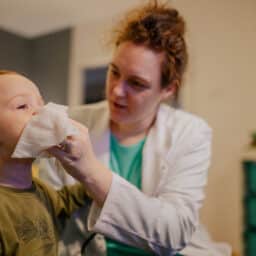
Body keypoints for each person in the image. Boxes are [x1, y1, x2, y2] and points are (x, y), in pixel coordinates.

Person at [38, 1, 231, 255]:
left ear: (168, 89)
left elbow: (174, 232)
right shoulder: (72, 121)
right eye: (114, 72)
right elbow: (44, 216)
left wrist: (90, 170)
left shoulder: (191, 132)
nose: (117, 90)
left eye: (136, 83)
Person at [0, 70, 93, 256]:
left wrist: (91, 173)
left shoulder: (42, 191)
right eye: (22, 106)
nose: (41, 112)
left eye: (41, 104)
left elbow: (66, 200)